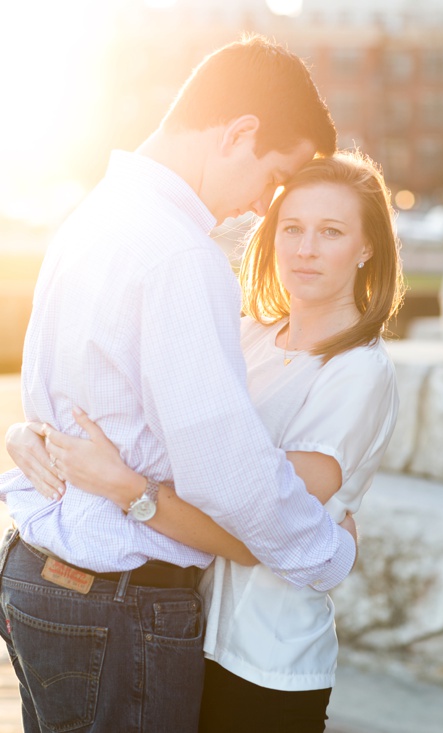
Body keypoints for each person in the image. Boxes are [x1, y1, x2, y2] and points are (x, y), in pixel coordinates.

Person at [0, 35, 359, 732]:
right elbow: (227, 469)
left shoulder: (94, 215)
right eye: (273, 176)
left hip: (43, 577)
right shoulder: (179, 253)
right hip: (118, 603)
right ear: (240, 133)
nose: (264, 206)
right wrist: (328, 546)